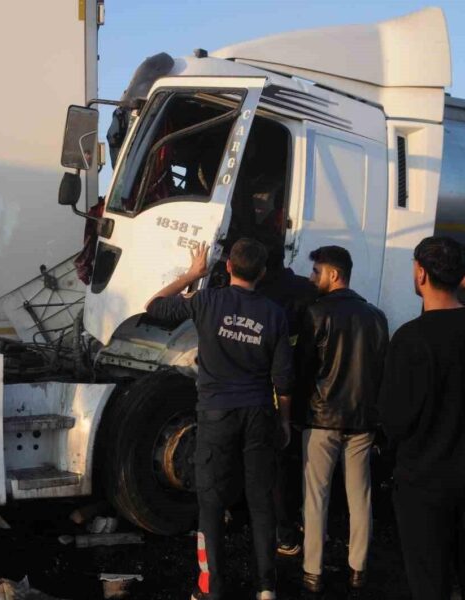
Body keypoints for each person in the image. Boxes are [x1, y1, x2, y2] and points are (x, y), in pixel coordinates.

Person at [145, 238, 293, 600]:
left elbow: (154, 307)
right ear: (261, 272)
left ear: (227, 267)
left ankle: (212, 590)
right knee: (260, 503)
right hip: (259, 414)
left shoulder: (207, 300)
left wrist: (192, 274)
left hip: (215, 415)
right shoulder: (275, 314)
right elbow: (284, 379)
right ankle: (266, 588)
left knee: (210, 504)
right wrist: (284, 421)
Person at [295, 246, 388, 593]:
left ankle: (312, 571)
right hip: (363, 420)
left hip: (322, 418)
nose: (311, 277)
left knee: (316, 496)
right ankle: (358, 569)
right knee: (359, 496)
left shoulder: (316, 313)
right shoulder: (376, 316)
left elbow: (304, 368)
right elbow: (381, 371)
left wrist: (296, 413)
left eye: (316, 271)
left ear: (334, 275)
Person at [378, 236, 465, 600]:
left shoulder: (412, 339)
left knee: (429, 583)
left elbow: (394, 419)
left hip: (424, 484)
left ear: (421, 274)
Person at [258, 240, 318, 556]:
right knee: (292, 460)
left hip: (263, 387)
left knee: (267, 461)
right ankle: (291, 527)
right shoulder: (306, 289)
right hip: (299, 385)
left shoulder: (255, 295)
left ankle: (277, 529)